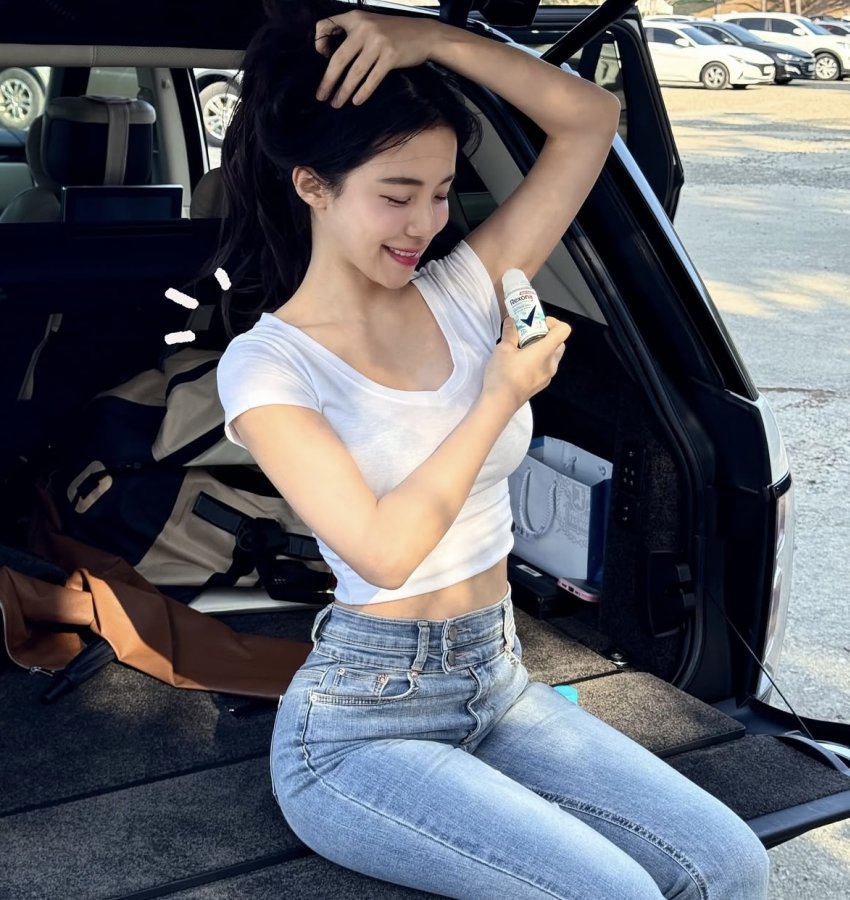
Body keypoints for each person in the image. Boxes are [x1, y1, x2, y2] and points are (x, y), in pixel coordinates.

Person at [214, 2, 771, 897]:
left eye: (442, 193)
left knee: (732, 864)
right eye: (396, 195)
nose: (424, 224)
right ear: (313, 184)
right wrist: (500, 395)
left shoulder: (462, 291)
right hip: (361, 725)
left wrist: (431, 38)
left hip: (499, 680)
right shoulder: (269, 365)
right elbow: (384, 551)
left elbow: (589, 119)